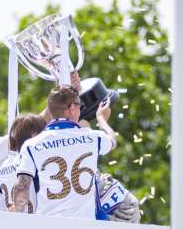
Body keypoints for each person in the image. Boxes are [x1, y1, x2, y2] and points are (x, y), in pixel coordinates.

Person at [13, 85, 116, 219]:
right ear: (72, 108)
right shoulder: (93, 137)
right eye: (80, 105)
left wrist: (16, 218)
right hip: (85, 226)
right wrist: (101, 119)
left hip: (48, 226)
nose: (80, 109)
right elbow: (112, 141)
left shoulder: (31, 144)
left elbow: (21, 188)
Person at [0, 114, 47, 212]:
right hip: (32, 221)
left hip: (12, 218)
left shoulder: (5, 163)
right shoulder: (31, 160)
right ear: (34, 135)